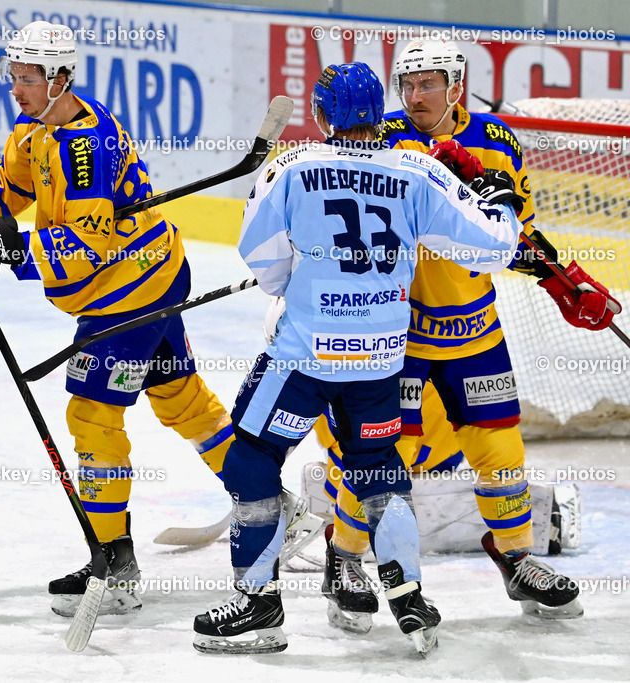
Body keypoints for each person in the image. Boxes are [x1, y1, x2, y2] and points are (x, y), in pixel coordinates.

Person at [190, 62, 523, 656]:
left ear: (321, 116)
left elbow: (260, 259)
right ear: (380, 112)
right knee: (379, 470)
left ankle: (257, 602)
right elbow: (494, 246)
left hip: (303, 360)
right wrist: (496, 203)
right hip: (379, 361)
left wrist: (297, 280)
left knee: (251, 459)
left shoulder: (292, 166)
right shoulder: (418, 169)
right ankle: (410, 598)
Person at [0, 21, 235, 617]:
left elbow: (84, 246)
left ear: (60, 78)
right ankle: (267, 501)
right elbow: (12, 188)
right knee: (180, 399)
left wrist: (2, 249)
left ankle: (115, 563)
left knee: (91, 414)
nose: (16, 88)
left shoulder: (88, 147)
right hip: (156, 272)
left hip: (130, 288)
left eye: (28, 78)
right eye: (12, 75)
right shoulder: (36, 128)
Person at [311, 40, 614, 632]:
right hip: (397, 335)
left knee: (500, 450)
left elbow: (514, 230)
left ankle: (517, 556)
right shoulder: (380, 139)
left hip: (475, 328)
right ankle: (344, 556)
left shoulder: (498, 141)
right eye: (408, 84)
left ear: (456, 85)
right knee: (387, 456)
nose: (417, 95)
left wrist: (563, 281)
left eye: (430, 83)